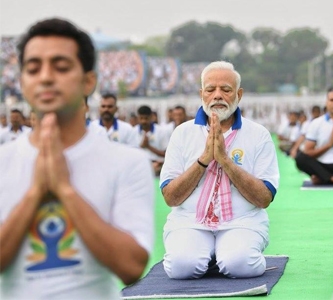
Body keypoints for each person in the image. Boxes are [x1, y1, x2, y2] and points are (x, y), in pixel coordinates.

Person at [0, 18, 154, 299]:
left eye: (61, 67)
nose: (46, 77)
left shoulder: (126, 162)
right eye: (33, 68)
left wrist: (66, 190)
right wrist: (35, 192)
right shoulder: (3, 161)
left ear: (88, 81)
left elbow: (131, 266)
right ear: (22, 82)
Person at [159, 61, 279, 279]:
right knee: (180, 268)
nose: (217, 96)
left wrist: (225, 161)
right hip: (190, 220)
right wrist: (204, 159)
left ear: (239, 95)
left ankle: (225, 254)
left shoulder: (258, 134)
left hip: (242, 220)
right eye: (210, 89)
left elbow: (264, 199)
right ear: (201, 94)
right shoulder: (182, 133)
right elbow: (170, 197)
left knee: (240, 265)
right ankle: (211, 255)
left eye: (226, 90)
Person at [136, 105, 172, 176]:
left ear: (151, 117)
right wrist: (142, 146)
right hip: (138, 166)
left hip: (158, 166)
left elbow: (167, 154)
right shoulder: (133, 131)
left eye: (146, 118)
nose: (144, 121)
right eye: (141, 118)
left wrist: (148, 146)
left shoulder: (161, 131)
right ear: (138, 118)